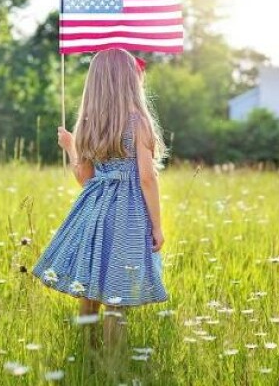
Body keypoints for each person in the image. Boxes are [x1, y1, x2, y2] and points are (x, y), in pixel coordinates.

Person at [31, 48, 170, 361]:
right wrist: (158, 226)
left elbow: (85, 178)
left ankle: (88, 353)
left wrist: (71, 147)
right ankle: (113, 365)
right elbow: (147, 179)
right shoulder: (138, 123)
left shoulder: (90, 124)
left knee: (90, 283)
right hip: (127, 215)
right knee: (116, 292)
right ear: (129, 82)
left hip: (93, 211)